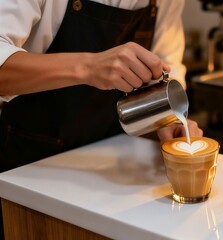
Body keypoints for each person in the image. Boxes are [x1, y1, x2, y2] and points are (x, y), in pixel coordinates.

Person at [0, 0, 203, 170]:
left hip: (111, 164)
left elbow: (166, 62)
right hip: (30, 165)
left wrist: (168, 120)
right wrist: (88, 67)